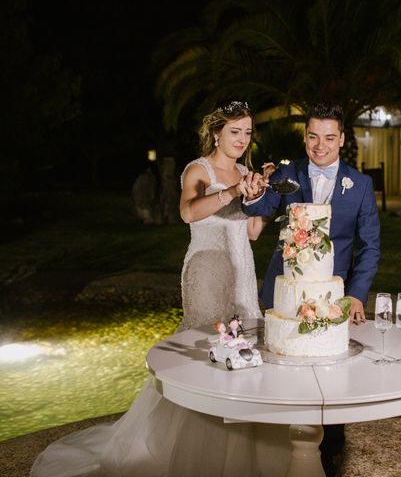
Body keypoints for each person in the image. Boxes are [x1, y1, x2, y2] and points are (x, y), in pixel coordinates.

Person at [30, 102, 290, 477]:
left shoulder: (247, 172)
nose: (242, 140)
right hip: (206, 269)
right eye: (235, 131)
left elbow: (251, 232)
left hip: (242, 271)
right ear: (217, 133)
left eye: (248, 132)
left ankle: (238, 456)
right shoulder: (197, 170)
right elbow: (188, 212)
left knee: (244, 355)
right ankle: (185, 451)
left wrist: (261, 198)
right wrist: (233, 191)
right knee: (203, 351)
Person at [242, 102, 381, 475]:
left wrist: (355, 294)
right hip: (283, 289)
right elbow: (264, 204)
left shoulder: (361, 185)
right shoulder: (288, 172)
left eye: (329, 138)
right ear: (305, 137)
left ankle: (332, 445)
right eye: (313, 136)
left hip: (334, 296)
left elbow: (369, 247)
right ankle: (278, 444)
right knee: (282, 366)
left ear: (342, 139)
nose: (320, 146)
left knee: (331, 374)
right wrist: (254, 193)